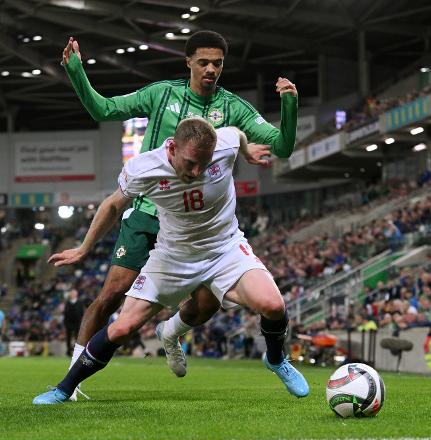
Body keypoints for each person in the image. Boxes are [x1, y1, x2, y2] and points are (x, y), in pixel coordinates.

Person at [56, 30, 299, 395]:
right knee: (111, 296)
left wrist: (289, 107)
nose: (211, 69)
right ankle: (73, 379)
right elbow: (102, 109)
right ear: (188, 62)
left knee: (204, 306)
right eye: (203, 62)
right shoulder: (162, 94)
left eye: (217, 63)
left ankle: (171, 332)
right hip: (147, 211)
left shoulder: (232, 108)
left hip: (198, 227)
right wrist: (76, 71)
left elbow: (280, 146)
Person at [32, 118, 309, 404]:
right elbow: (113, 205)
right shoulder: (144, 168)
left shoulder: (225, 143)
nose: (197, 171)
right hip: (172, 257)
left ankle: (276, 360)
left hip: (224, 248)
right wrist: (83, 248)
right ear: (173, 147)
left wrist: (246, 151)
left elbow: (237, 134)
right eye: (190, 162)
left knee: (274, 305)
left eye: (204, 162)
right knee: (123, 327)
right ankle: (64, 389)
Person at [63, 289, 84, 357]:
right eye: (72, 293)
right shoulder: (67, 303)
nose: (73, 295)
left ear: (76, 294)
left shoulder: (80, 303)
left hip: (77, 323)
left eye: (74, 293)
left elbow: (81, 313)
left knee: (77, 338)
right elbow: (65, 313)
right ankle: (68, 351)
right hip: (68, 323)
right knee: (68, 338)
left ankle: (77, 351)